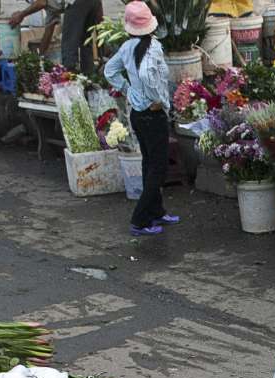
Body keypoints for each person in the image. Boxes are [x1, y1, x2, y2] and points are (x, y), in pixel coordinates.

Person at [102, 2, 179, 237]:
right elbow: (147, 75)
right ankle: (140, 218)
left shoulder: (126, 47)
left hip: (137, 114)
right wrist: (158, 100)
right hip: (152, 114)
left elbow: (109, 71)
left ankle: (156, 210)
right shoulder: (152, 47)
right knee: (158, 166)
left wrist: (128, 90)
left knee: (149, 163)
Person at [7, 0, 103, 75]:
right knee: (86, 43)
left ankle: (70, 82)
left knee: (69, 46)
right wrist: (39, 57)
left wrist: (21, 14)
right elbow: (48, 31)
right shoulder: (52, 7)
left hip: (76, 3)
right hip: (93, 3)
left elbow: (41, 2)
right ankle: (89, 78)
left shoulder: (45, 3)